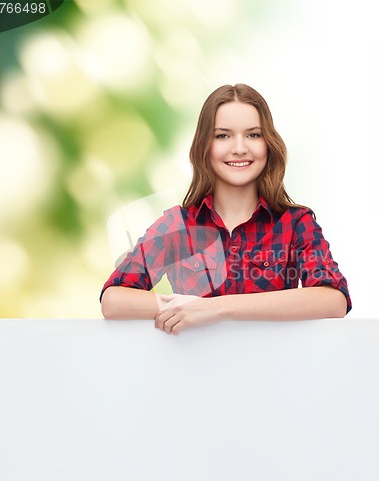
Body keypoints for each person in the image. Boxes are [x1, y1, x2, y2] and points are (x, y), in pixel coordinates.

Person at [100, 84, 351, 334]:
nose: (239, 147)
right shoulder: (179, 224)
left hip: (275, 371)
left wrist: (215, 308)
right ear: (204, 147)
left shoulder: (296, 223)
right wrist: (186, 307)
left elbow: (333, 300)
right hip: (193, 372)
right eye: (223, 136)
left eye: (253, 135)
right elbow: (114, 300)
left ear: (268, 144)